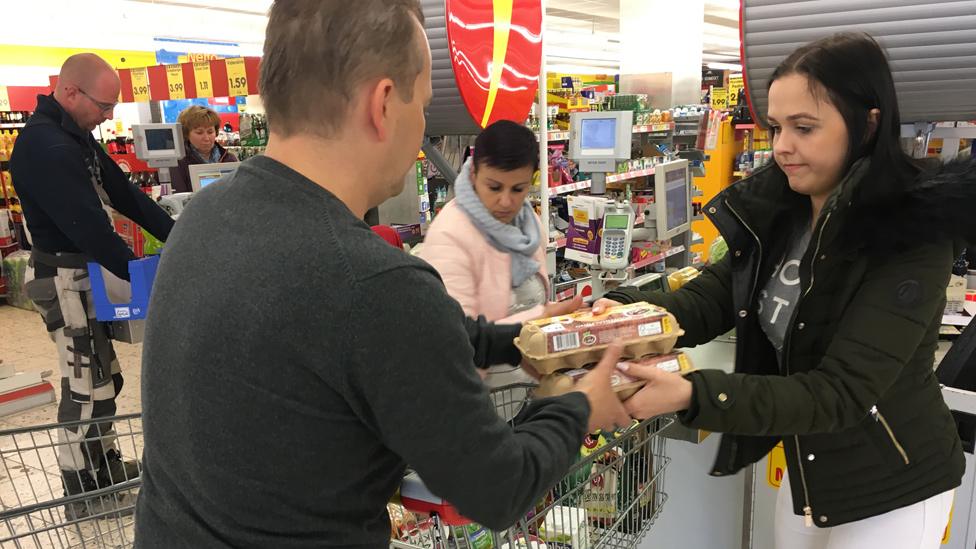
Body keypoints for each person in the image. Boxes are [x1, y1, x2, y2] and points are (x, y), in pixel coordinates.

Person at [133, 2, 630, 548]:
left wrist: (523, 342)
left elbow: (394, 339)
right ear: (385, 103)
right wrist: (576, 405)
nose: (421, 126)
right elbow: (497, 487)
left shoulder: (205, 215)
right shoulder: (373, 283)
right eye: (423, 104)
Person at [596, 33, 973, 549]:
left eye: (804, 128)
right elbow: (707, 301)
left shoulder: (910, 234)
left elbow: (842, 391)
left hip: (895, 482)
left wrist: (692, 393)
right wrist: (608, 314)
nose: (781, 147)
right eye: (776, 127)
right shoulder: (781, 210)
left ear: (868, 124)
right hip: (810, 464)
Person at [9, 53, 175, 518]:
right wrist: (144, 275)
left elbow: (123, 194)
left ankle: (104, 467)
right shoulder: (48, 147)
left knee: (106, 378)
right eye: (104, 106)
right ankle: (80, 489)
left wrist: (180, 239)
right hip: (64, 280)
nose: (109, 116)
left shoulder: (73, 135)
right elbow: (91, 230)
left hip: (83, 276)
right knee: (85, 387)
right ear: (69, 92)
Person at [420, 120, 582, 387]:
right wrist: (538, 320)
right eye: (494, 187)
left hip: (530, 388)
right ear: (473, 174)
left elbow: (536, 301)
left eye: (518, 189)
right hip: (484, 399)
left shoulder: (529, 224)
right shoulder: (450, 236)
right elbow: (457, 339)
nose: (506, 201)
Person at [168, 105, 238, 193]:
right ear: (186, 134)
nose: (206, 138)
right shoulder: (178, 162)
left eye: (210, 132)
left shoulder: (229, 159)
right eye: (199, 132)